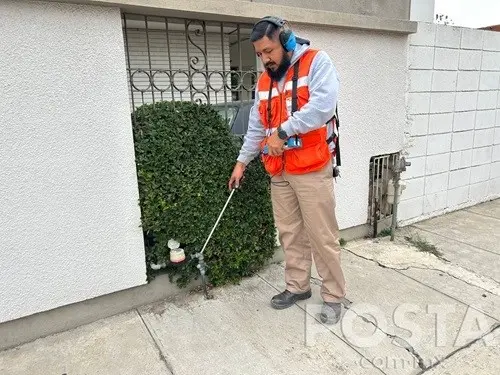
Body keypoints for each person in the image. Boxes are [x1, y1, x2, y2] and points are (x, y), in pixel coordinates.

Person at [228, 16, 346, 324]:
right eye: (259, 54)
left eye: (269, 51)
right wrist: (242, 162)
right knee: (290, 234)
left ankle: (333, 296)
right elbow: (256, 127)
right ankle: (298, 287)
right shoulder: (264, 82)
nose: (265, 59)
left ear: (286, 40)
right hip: (278, 170)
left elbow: (323, 106)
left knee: (321, 235)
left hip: (311, 168)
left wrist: (282, 131)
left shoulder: (316, 63)